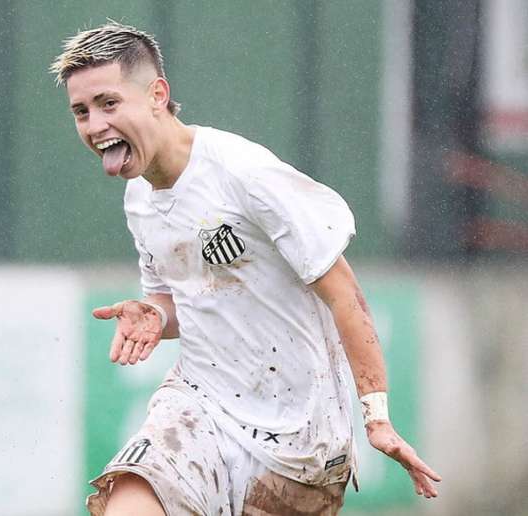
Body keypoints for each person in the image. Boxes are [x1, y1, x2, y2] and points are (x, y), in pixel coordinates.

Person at [51, 21, 441, 516]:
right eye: (81, 112)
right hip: (199, 407)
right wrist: (155, 314)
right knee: (128, 503)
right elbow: (182, 303)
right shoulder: (139, 199)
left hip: (300, 437)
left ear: (157, 94)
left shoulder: (242, 172)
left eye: (108, 103)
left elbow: (344, 294)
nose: (94, 125)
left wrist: (376, 417)